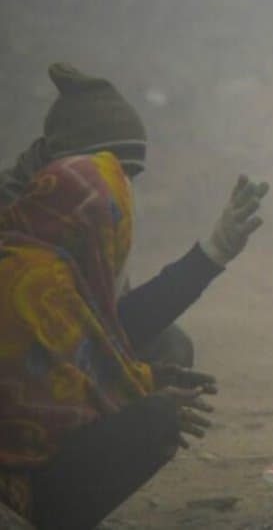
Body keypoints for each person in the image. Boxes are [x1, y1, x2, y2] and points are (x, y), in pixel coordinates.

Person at [0, 63, 268, 368]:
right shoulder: (18, 234)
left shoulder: (82, 214)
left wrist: (214, 252)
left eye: (128, 177)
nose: (120, 189)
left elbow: (115, 323)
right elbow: (55, 355)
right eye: (108, 174)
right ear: (68, 167)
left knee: (169, 346)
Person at [0, 153, 217, 530]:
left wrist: (149, 379)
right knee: (154, 419)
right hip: (13, 488)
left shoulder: (29, 258)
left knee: (159, 383)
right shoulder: (38, 286)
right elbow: (54, 412)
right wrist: (151, 404)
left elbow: (81, 365)